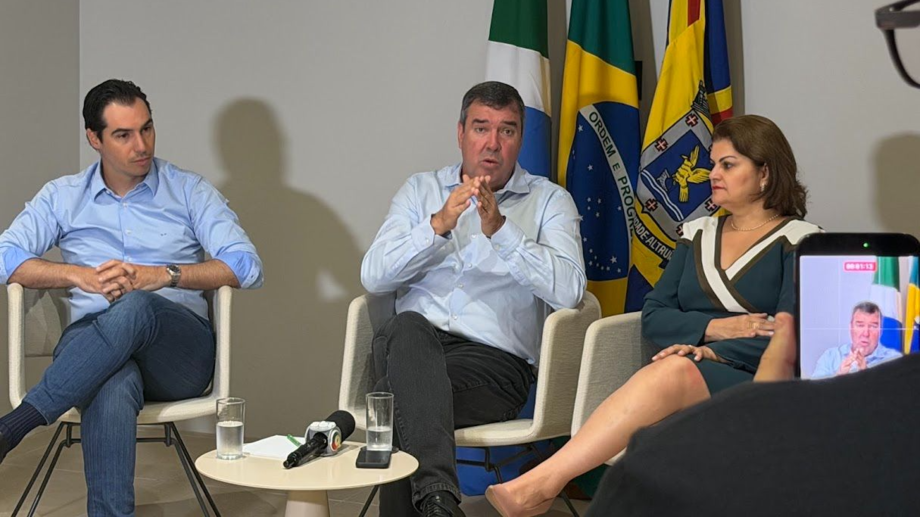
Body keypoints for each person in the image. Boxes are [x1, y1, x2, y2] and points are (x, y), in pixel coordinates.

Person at [486, 114, 821, 517]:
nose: (712, 173)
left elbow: (791, 334)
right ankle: (543, 487)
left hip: (759, 378)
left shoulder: (800, 241)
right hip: (687, 361)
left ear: (764, 173)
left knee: (675, 369)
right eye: (713, 163)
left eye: (728, 165)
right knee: (675, 368)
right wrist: (710, 330)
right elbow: (654, 316)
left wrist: (714, 352)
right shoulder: (697, 233)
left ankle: (541, 484)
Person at [0, 79, 262, 516]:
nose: (141, 145)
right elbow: (5, 256)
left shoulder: (188, 190)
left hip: (177, 353)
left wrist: (163, 276)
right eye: (123, 135)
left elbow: (247, 266)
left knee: (136, 305)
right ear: (94, 139)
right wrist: (77, 275)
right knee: (113, 379)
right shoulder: (64, 197)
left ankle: (15, 427)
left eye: (147, 129)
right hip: (94, 346)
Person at [360, 81, 586, 517]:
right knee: (408, 328)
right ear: (461, 132)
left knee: (390, 405)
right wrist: (438, 225)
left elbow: (570, 291)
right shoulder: (419, 191)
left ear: (521, 138)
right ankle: (440, 503)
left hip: (493, 366)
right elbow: (374, 276)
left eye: (507, 130)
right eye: (481, 128)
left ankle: (439, 501)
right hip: (408, 344)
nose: (493, 143)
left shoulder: (548, 201)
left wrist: (503, 232)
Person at [812, 301, 902, 378]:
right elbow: (814, 395)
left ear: (881, 331)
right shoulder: (830, 357)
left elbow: (898, 396)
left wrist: (867, 375)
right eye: (860, 325)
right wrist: (838, 378)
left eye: (873, 326)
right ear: (851, 327)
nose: (866, 333)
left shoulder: (894, 359)